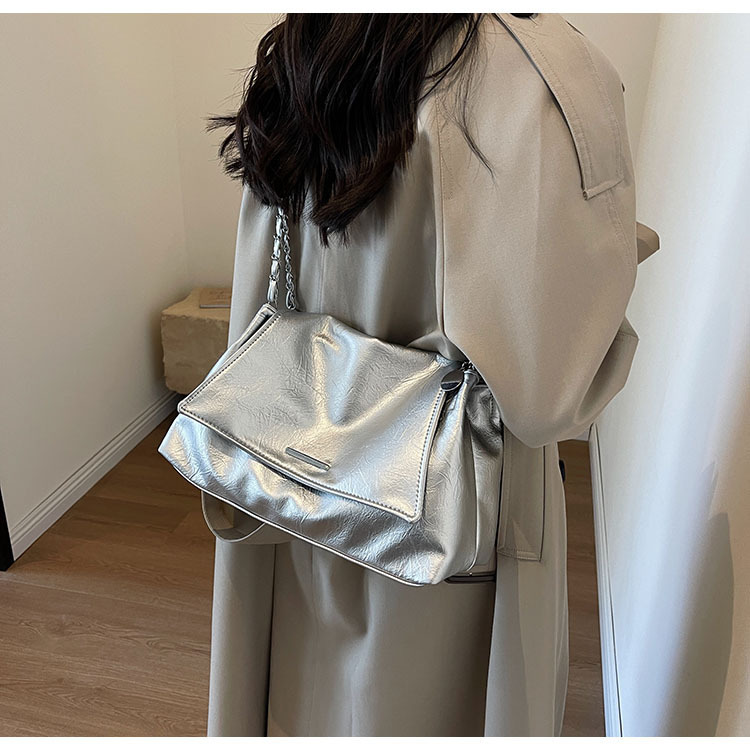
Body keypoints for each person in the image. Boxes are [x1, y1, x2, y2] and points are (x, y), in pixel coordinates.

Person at [202, 13, 642, 736]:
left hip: (293, 474)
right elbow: (549, 391)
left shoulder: (306, 46)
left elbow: (263, 291)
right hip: (452, 526)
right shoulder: (549, 76)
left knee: (296, 699)